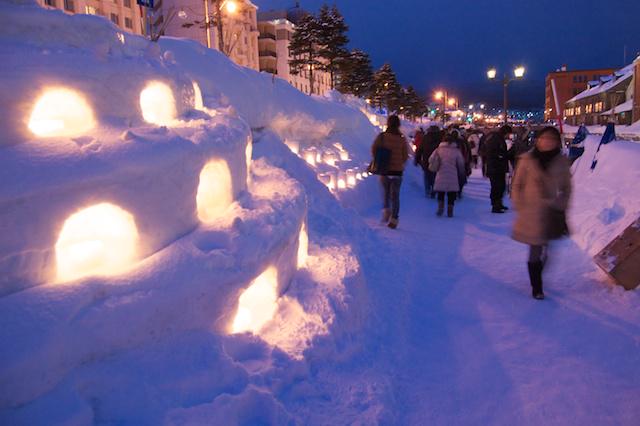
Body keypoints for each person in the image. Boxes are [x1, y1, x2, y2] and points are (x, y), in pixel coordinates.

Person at [511, 126, 572, 300]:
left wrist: (561, 203)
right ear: (538, 140)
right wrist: (519, 204)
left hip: (552, 212)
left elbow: (567, 187)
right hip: (531, 212)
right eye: (544, 138)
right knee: (535, 249)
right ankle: (536, 287)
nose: (547, 142)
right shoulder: (527, 159)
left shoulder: (561, 161)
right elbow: (517, 184)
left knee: (548, 250)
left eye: (551, 139)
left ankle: (537, 274)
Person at [371, 115, 409, 229]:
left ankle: (386, 211)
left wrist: (379, 160)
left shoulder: (382, 137)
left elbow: (374, 149)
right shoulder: (401, 138)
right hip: (397, 171)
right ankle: (394, 219)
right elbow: (405, 155)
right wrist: (399, 162)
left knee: (386, 193)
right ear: (398, 125)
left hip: (385, 169)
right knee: (395, 196)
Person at [429, 133, 465, 217]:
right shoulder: (456, 151)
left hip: (441, 173)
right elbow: (461, 163)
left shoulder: (438, 150)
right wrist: (461, 173)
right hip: (453, 174)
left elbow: (430, 159)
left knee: (441, 191)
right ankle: (450, 210)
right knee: (451, 193)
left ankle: (440, 207)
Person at [485, 125, 513, 213]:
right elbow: (493, 153)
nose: (508, 136)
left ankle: (498, 203)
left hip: (498, 167)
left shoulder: (497, 138)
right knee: (497, 187)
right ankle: (495, 205)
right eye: (508, 133)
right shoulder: (496, 139)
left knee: (501, 186)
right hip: (495, 167)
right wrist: (503, 155)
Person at [414, 125, 441, 198]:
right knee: (436, 176)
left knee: (427, 175)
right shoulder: (441, 138)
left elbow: (420, 149)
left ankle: (428, 190)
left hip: (426, 160)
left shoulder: (425, 138)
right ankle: (435, 189)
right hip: (437, 161)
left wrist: (417, 159)